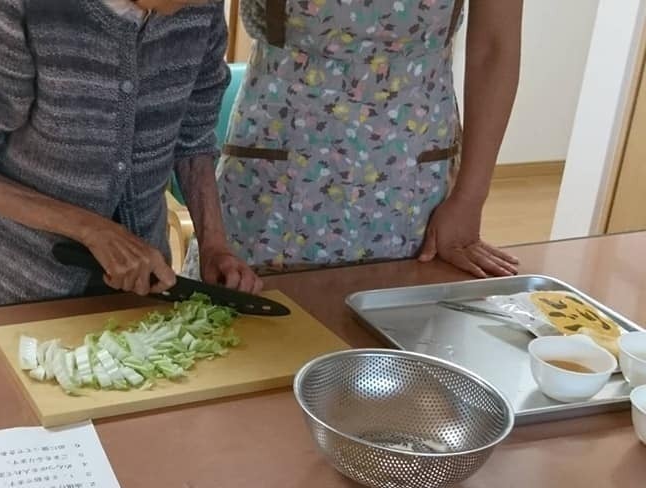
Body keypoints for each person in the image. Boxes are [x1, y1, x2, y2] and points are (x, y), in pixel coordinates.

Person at [0, 0, 261, 310]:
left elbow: (194, 138)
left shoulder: (200, 9)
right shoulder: (9, 7)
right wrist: (91, 230)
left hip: (136, 287)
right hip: (5, 289)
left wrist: (214, 247)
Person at [184, 0, 522, 279]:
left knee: (400, 328)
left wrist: (469, 198)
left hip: (414, 185)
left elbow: (495, 48)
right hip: (273, 178)